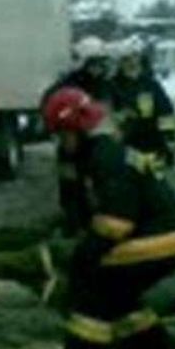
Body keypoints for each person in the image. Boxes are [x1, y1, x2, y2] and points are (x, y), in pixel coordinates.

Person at [42, 86, 175, 349]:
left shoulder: (106, 157)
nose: (60, 142)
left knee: (93, 283)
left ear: (75, 129)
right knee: (121, 295)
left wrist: (85, 252)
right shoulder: (103, 152)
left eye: (61, 135)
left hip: (161, 238)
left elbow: (117, 223)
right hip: (173, 236)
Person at [42, 36, 114, 235]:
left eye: (101, 63)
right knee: (71, 187)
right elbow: (49, 110)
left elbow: (112, 111)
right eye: (94, 63)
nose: (99, 68)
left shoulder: (106, 84)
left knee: (101, 186)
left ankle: (98, 222)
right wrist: (59, 131)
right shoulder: (65, 85)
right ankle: (73, 224)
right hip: (71, 146)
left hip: (98, 145)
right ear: (83, 63)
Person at [110, 34, 175, 169]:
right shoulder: (112, 86)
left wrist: (169, 140)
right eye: (126, 59)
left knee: (158, 186)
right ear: (119, 63)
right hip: (125, 149)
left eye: (135, 57)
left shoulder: (151, 85)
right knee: (130, 185)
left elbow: (165, 112)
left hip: (153, 147)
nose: (132, 62)